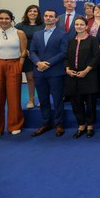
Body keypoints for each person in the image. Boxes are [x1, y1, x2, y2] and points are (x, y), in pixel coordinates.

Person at [30, 9, 68, 137]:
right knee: (43, 99)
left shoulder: (63, 34)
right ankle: (45, 123)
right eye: (46, 16)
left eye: (51, 16)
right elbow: (32, 51)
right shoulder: (37, 34)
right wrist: (38, 63)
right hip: (39, 72)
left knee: (57, 100)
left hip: (55, 72)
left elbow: (63, 53)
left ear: (56, 19)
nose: (48, 18)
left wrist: (47, 64)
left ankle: (59, 125)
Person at [0, 9, 27, 139]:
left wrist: (19, 65)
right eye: (1, 18)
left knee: (14, 97)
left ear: (11, 20)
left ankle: (15, 125)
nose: (4, 21)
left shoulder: (19, 33)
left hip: (14, 65)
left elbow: (23, 51)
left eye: (7, 18)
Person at [65, 16, 99, 139]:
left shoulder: (92, 40)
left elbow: (96, 57)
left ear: (86, 26)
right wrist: (67, 69)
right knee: (76, 102)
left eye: (81, 24)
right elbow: (66, 57)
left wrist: (86, 70)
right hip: (73, 76)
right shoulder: (71, 41)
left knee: (90, 102)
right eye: (77, 24)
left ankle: (90, 125)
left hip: (88, 75)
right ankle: (81, 125)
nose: (79, 26)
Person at [15, 4, 44, 109]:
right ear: (27, 13)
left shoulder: (43, 25)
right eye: (30, 11)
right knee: (30, 78)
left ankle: (42, 99)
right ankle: (31, 99)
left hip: (40, 56)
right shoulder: (20, 26)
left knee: (41, 79)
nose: (33, 13)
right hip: (26, 55)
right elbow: (14, 40)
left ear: (38, 13)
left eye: (35, 11)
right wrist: (24, 50)